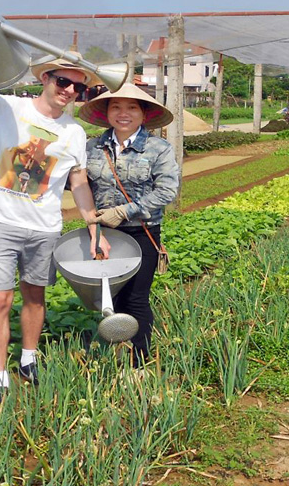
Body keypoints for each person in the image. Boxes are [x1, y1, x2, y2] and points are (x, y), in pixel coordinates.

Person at [0, 56, 109, 407]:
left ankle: (29, 358)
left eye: (79, 87)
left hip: (44, 226)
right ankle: (0, 378)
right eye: (63, 82)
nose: (70, 91)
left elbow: (77, 181)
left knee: (35, 294)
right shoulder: (4, 108)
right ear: (45, 78)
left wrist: (94, 225)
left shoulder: (74, 132)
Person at [78, 84, 180, 367]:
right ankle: (115, 354)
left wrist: (123, 211)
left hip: (141, 233)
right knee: (111, 297)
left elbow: (166, 191)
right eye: (116, 107)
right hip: (103, 235)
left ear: (144, 114)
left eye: (132, 107)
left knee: (136, 298)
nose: (124, 114)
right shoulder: (92, 148)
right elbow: (77, 183)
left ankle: (139, 362)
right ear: (106, 113)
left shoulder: (158, 148)